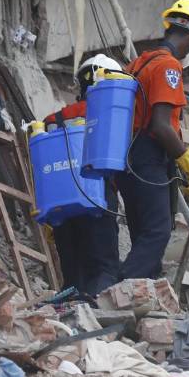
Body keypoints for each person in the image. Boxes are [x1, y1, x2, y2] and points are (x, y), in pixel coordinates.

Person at [112, 0, 189, 284]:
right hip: (148, 156)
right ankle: (117, 292)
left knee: (143, 233)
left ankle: (146, 300)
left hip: (126, 158)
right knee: (157, 232)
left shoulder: (138, 63)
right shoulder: (169, 67)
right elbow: (161, 125)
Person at [43, 53, 125, 295]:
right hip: (97, 198)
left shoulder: (53, 120)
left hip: (61, 204)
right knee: (104, 270)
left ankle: (73, 318)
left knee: (72, 275)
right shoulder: (111, 116)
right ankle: (99, 320)